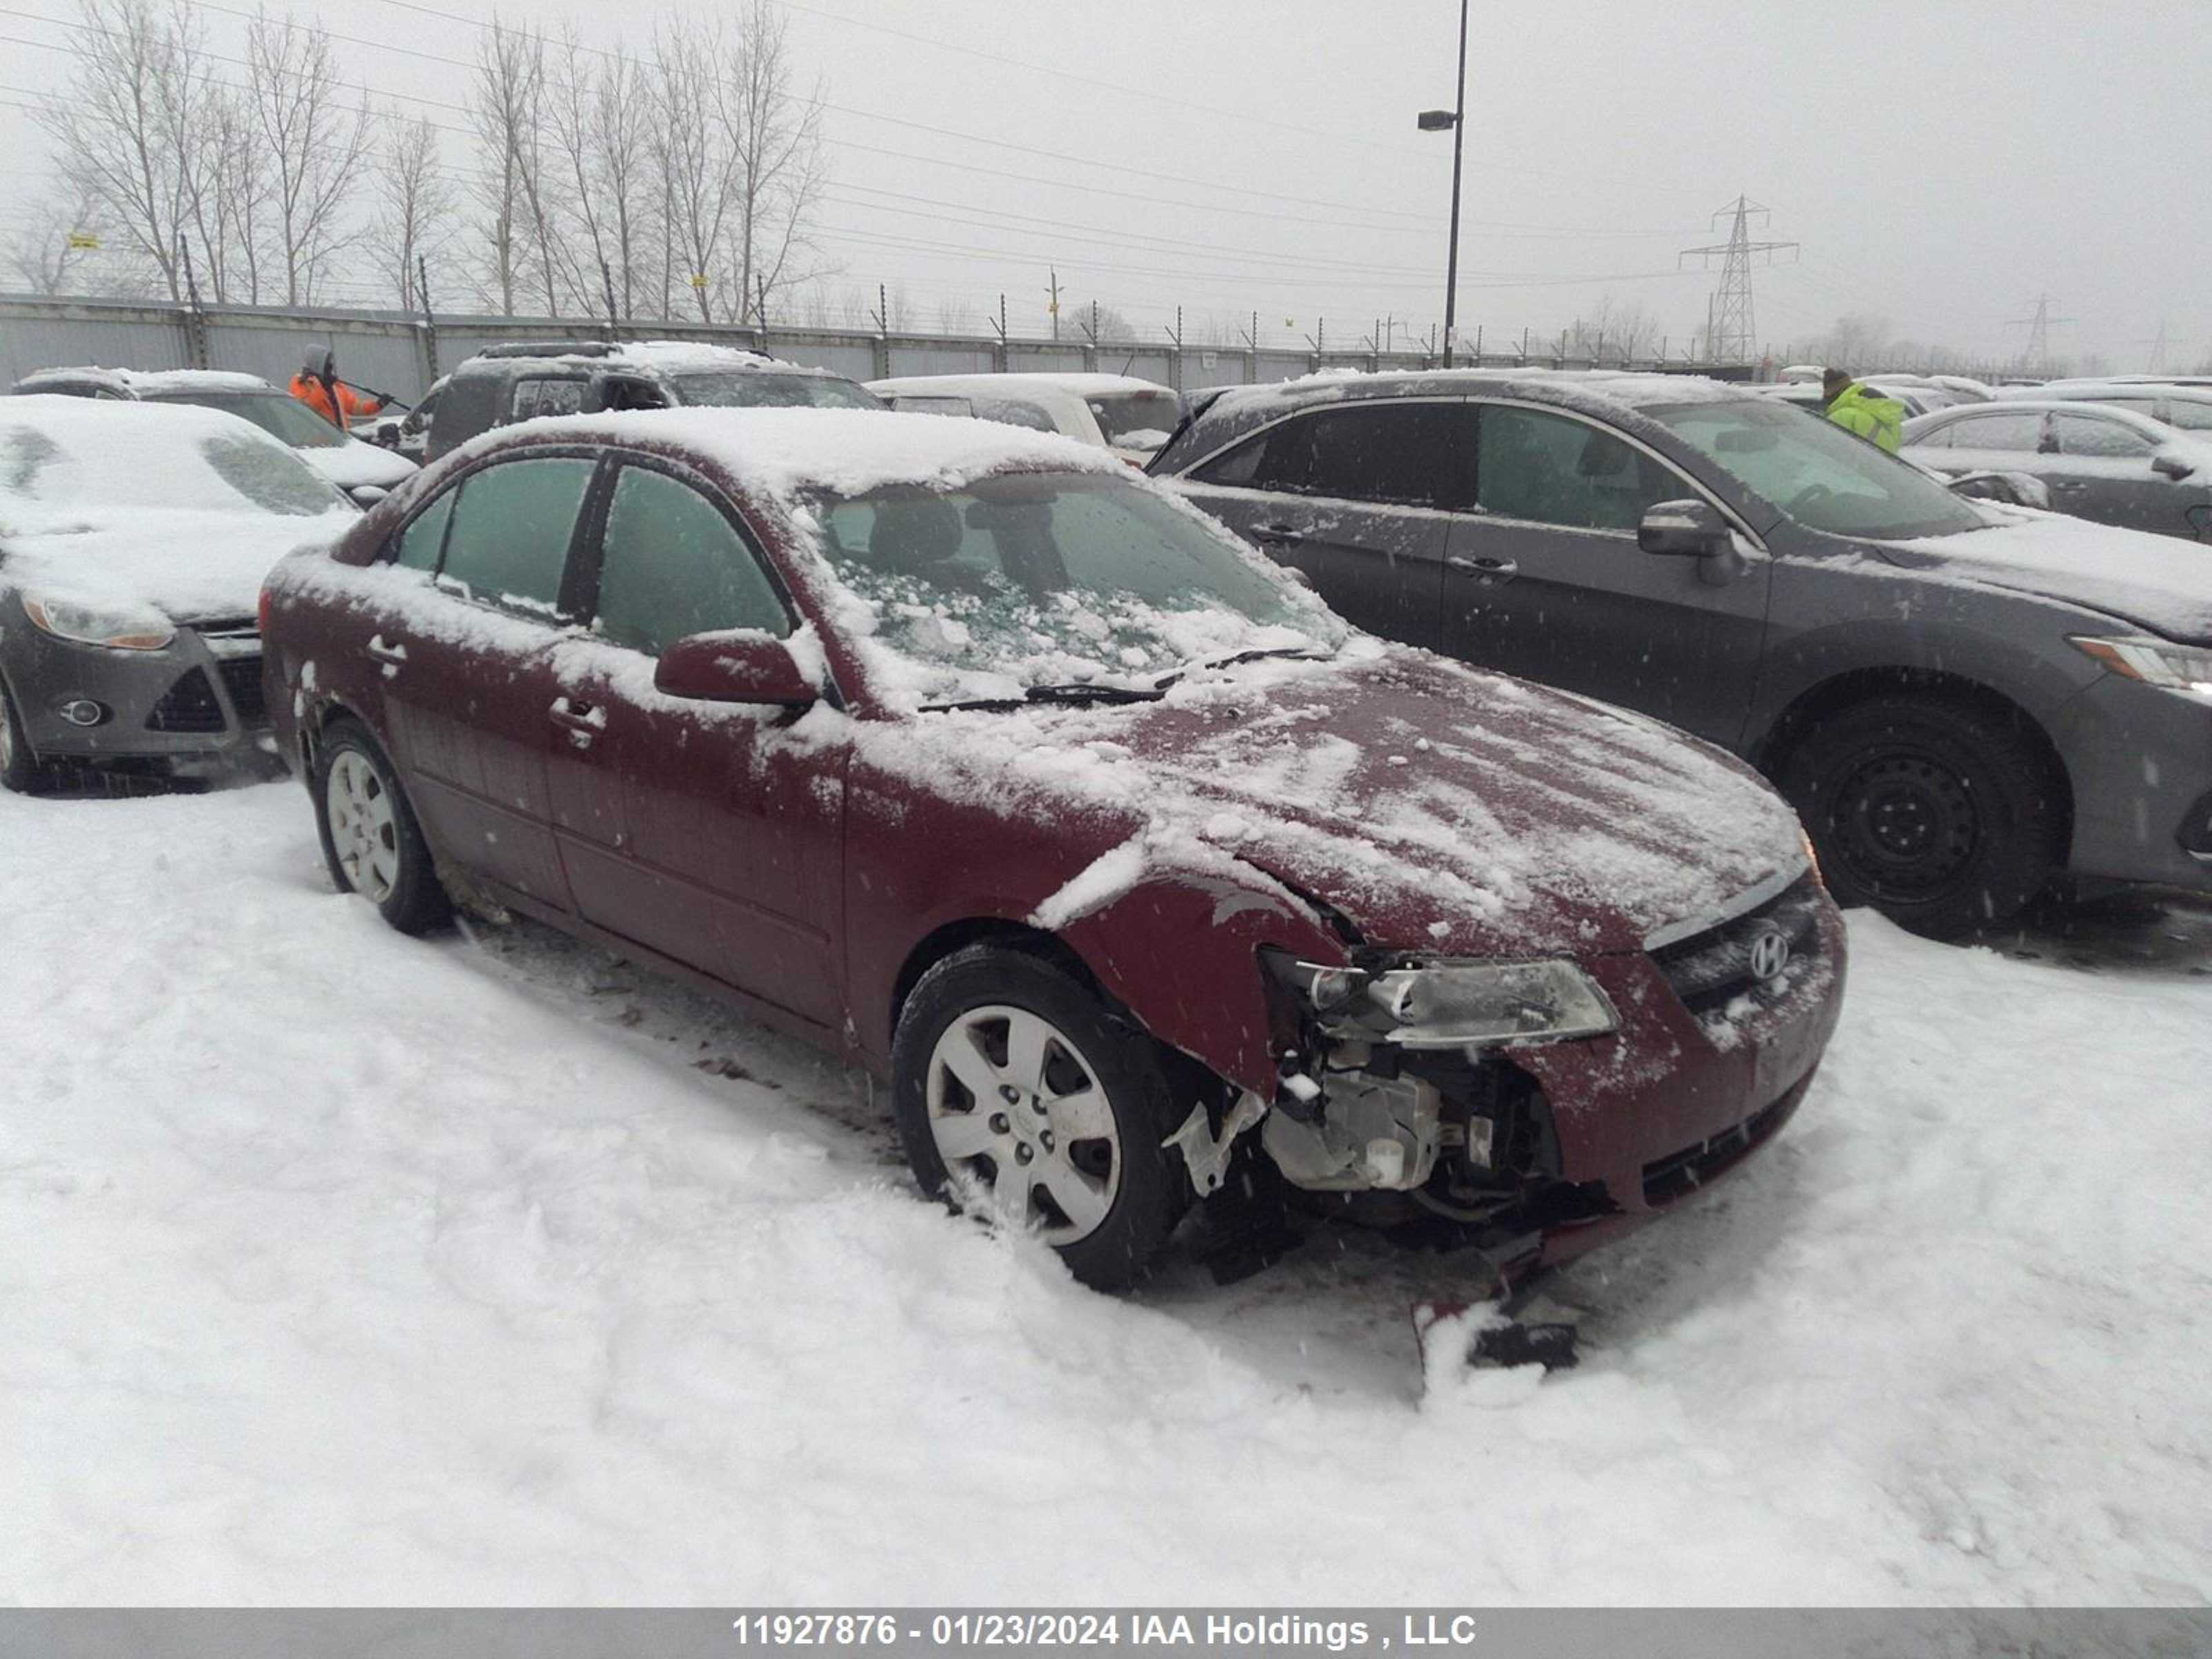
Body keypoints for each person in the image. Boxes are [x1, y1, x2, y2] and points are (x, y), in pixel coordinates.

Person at [289, 347, 385, 428]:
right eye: (327, 362)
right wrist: (321, 387)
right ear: (317, 362)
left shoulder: (335, 386)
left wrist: (378, 405)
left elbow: (355, 408)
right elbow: (307, 410)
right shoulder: (301, 382)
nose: (330, 366)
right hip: (318, 444)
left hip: (341, 439)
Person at [1821, 367, 1905, 453]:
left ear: (1836, 391)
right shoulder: (1889, 416)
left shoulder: (1844, 415)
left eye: (1827, 393)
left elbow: (1829, 451)